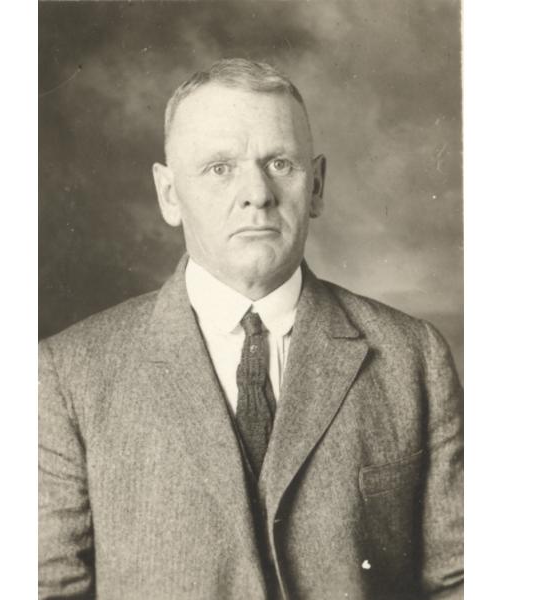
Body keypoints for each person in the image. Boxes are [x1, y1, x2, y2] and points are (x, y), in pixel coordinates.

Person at [39, 58, 463, 600]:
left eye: (280, 163)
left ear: (316, 187)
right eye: (220, 167)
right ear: (169, 194)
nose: (257, 193)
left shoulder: (412, 358)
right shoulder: (67, 376)